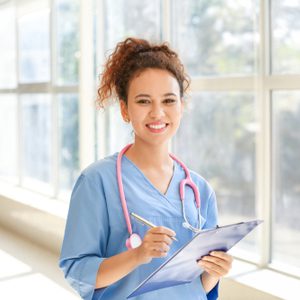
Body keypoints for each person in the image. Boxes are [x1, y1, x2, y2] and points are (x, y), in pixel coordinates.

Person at [59, 37, 232, 300]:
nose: (157, 113)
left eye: (169, 100)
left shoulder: (200, 190)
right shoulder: (96, 181)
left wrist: (215, 271)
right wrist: (137, 256)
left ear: (181, 107)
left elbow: (196, 288)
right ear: (125, 110)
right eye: (143, 101)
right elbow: (77, 270)